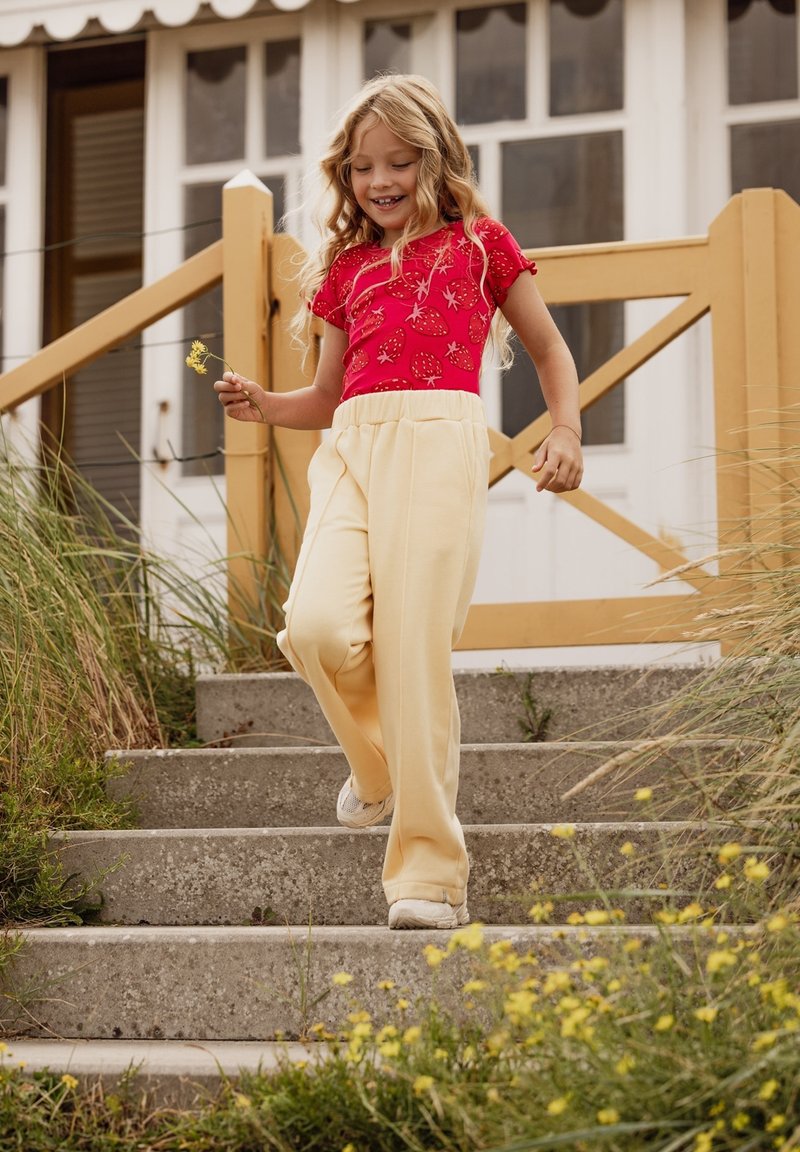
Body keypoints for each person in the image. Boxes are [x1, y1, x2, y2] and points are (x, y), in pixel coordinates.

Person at [214, 74, 583, 930]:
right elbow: (325, 395)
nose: (379, 180)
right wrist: (265, 405)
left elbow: (550, 349)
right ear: (344, 176)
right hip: (352, 448)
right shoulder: (344, 269)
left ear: (437, 159)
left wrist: (564, 429)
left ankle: (430, 877)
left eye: (399, 162)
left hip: (440, 447)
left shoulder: (483, 245)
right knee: (312, 626)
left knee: (413, 656)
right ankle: (378, 770)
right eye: (362, 167)